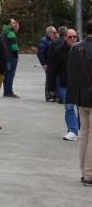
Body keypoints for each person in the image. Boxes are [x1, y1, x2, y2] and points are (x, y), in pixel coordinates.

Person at [67, 20, 92, 187]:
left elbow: (71, 74)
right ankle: (89, 174)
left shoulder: (76, 48)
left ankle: (83, 170)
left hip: (82, 97)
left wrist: (73, 97)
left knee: (84, 134)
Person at [49, 29, 80, 141]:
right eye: (70, 37)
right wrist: (51, 87)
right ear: (65, 37)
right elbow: (53, 70)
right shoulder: (59, 51)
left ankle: (81, 128)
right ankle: (73, 130)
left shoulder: (82, 49)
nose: (72, 39)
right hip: (65, 84)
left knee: (81, 109)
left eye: (74, 37)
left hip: (81, 85)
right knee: (69, 108)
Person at [47, 26, 68, 103]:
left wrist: (48, 64)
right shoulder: (67, 41)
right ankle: (63, 98)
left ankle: (59, 97)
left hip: (54, 64)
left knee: (56, 80)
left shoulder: (53, 42)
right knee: (63, 80)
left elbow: (50, 55)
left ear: (59, 33)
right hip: (65, 64)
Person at [38, 26, 59, 101]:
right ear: (49, 33)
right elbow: (40, 53)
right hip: (48, 64)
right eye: (54, 32)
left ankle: (55, 95)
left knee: (55, 79)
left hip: (54, 64)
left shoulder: (55, 40)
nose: (56, 34)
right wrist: (43, 64)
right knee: (49, 79)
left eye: (56, 32)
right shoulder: (44, 41)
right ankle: (48, 95)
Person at [2, 18, 20, 98]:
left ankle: (6, 91)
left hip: (4, 57)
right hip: (11, 57)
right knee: (10, 74)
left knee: (6, 74)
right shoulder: (10, 33)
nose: (15, 24)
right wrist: (16, 56)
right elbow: (14, 46)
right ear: (9, 24)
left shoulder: (3, 32)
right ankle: (8, 92)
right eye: (13, 23)